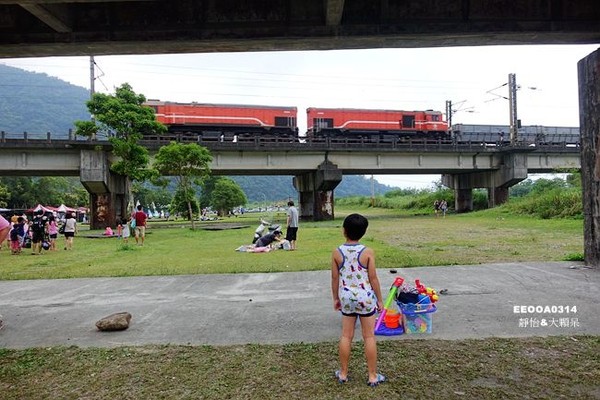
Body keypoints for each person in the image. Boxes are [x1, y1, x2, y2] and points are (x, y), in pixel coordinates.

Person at [331, 213, 385, 387]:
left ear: (344, 231)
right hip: (365, 298)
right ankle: (372, 376)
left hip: (346, 298)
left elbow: (334, 279)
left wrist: (336, 298)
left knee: (346, 336)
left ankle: (344, 373)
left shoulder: (337, 252)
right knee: (369, 336)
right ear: (364, 232)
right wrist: (380, 300)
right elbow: (374, 278)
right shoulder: (368, 252)